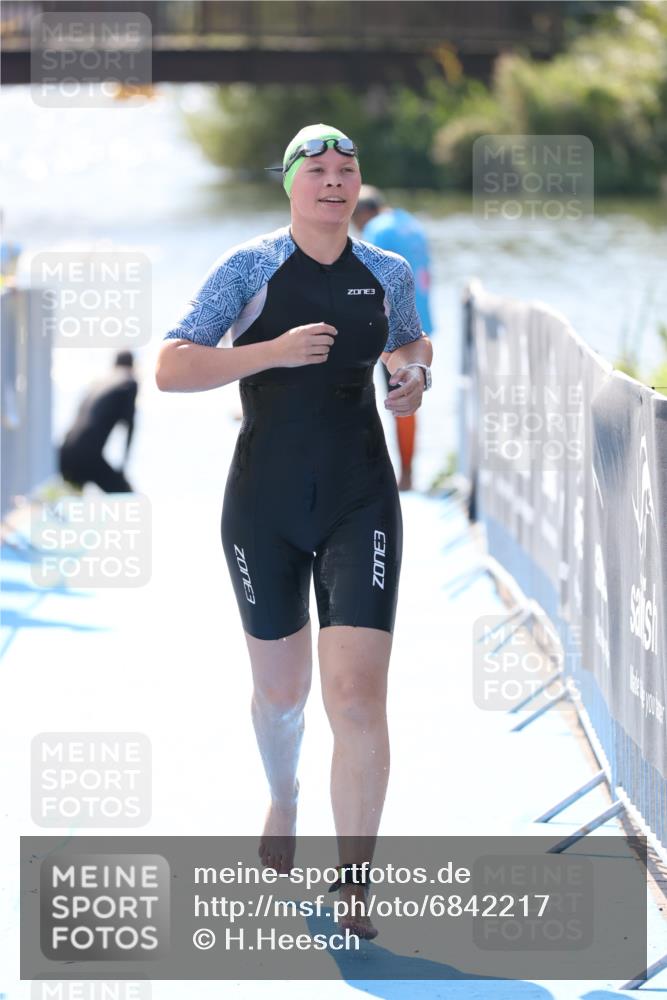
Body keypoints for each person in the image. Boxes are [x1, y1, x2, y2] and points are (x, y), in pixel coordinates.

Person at [156, 124, 433, 940]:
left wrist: (411, 375)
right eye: (316, 170)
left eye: (347, 169)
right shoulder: (247, 267)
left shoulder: (385, 271)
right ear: (288, 184)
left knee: (355, 697)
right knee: (283, 694)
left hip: (358, 497)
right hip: (263, 505)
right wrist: (269, 351)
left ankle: (354, 883)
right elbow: (172, 365)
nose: (334, 182)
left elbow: (409, 341)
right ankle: (284, 796)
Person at [352, 185, 434, 492]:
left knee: (378, 398)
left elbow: (363, 276)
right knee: (408, 397)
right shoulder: (411, 223)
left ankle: (395, 477)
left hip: (389, 327)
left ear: (363, 212)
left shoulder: (377, 229)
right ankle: (408, 474)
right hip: (421, 322)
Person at [58, 350, 137, 492]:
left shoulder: (98, 383)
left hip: (65, 452)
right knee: (126, 494)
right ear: (132, 366)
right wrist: (123, 467)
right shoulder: (128, 382)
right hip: (87, 455)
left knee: (72, 500)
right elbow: (130, 426)